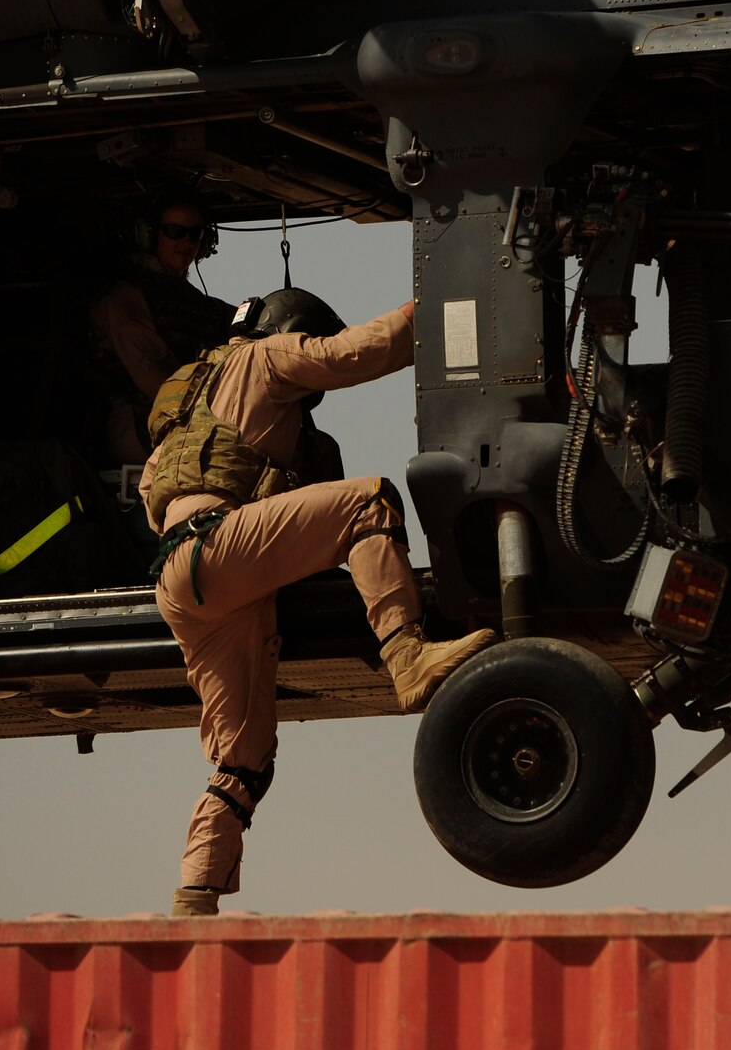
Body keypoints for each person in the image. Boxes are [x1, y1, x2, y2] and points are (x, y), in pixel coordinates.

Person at [143, 288, 499, 916]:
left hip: (179, 576)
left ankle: (194, 897)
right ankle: (408, 659)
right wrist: (443, 294)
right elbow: (362, 351)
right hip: (221, 549)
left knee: (243, 763)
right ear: (288, 329)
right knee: (368, 500)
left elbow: (158, 491)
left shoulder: (184, 400)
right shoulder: (263, 359)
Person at [89, 192, 234, 465]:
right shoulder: (125, 297)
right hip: (140, 420)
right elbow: (152, 377)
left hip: (190, 418)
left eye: (195, 234)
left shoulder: (203, 305)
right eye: (175, 232)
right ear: (148, 235)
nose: (186, 242)